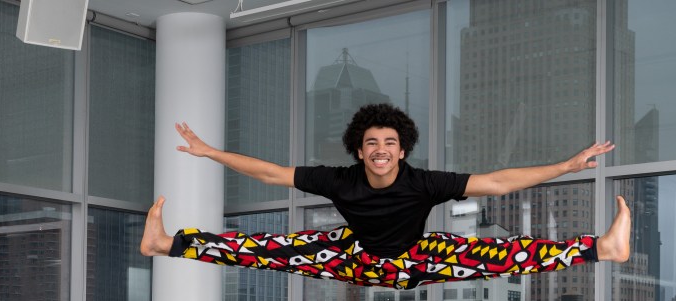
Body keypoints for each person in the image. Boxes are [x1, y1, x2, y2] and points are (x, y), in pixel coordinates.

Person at [140, 102, 631, 289]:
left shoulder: (424, 183)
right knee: (266, 249)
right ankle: (165, 244)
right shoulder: (340, 179)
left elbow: (498, 182)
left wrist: (567, 166)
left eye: (389, 144)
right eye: (371, 143)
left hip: (413, 260)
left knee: (500, 254)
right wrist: (208, 152)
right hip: (352, 256)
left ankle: (602, 248)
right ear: (359, 148)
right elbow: (270, 174)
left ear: (402, 151)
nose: (380, 151)